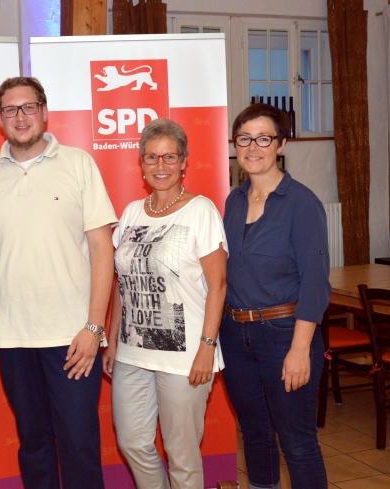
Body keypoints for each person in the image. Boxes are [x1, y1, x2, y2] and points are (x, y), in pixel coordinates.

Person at [0, 77, 117, 489]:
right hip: (11, 338)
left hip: (73, 338)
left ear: (45, 112)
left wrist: (94, 327)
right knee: (33, 444)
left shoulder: (79, 163)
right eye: (11, 110)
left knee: (79, 445)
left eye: (29, 107)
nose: (21, 117)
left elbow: (103, 250)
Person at [102, 119, 228, 489]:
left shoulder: (200, 211)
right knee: (133, 442)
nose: (160, 166)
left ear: (184, 161)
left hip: (184, 357)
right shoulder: (130, 214)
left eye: (169, 157)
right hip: (132, 353)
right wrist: (112, 339)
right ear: (141, 163)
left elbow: (218, 284)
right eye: (152, 158)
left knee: (182, 454)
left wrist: (207, 348)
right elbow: (121, 284)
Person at [220, 103, 330, 489]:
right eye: (244, 138)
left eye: (263, 138)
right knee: (255, 434)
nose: (253, 147)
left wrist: (300, 349)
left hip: (285, 335)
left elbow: (316, 283)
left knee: (297, 442)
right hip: (235, 337)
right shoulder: (233, 202)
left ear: (281, 144)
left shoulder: (302, 203)